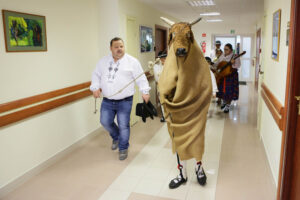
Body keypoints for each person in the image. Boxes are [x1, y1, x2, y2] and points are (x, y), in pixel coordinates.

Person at [90, 37, 151, 160]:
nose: (119, 49)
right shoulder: (103, 62)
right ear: (111, 48)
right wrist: (95, 87)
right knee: (105, 122)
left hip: (125, 101)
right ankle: (116, 137)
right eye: (116, 47)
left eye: (121, 46)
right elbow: (96, 75)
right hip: (107, 100)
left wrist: (145, 91)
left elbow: (141, 78)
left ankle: (123, 147)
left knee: (123, 125)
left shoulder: (132, 62)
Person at [213, 43, 241, 113]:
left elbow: (238, 66)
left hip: (231, 76)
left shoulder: (235, 56)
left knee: (229, 92)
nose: (225, 51)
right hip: (223, 76)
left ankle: (228, 106)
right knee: (222, 90)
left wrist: (232, 64)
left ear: (231, 50)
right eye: (224, 49)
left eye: (227, 49)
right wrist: (212, 64)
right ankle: (224, 102)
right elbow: (217, 64)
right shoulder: (222, 55)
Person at [153, 50, 167, 122]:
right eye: (162, 58)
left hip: (170, 86)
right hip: (161, 86)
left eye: (165, 58)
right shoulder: (156, 66)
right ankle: (164, 116)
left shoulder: (170, 65)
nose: (163, 60)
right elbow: (157, 78)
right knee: (162, 102)